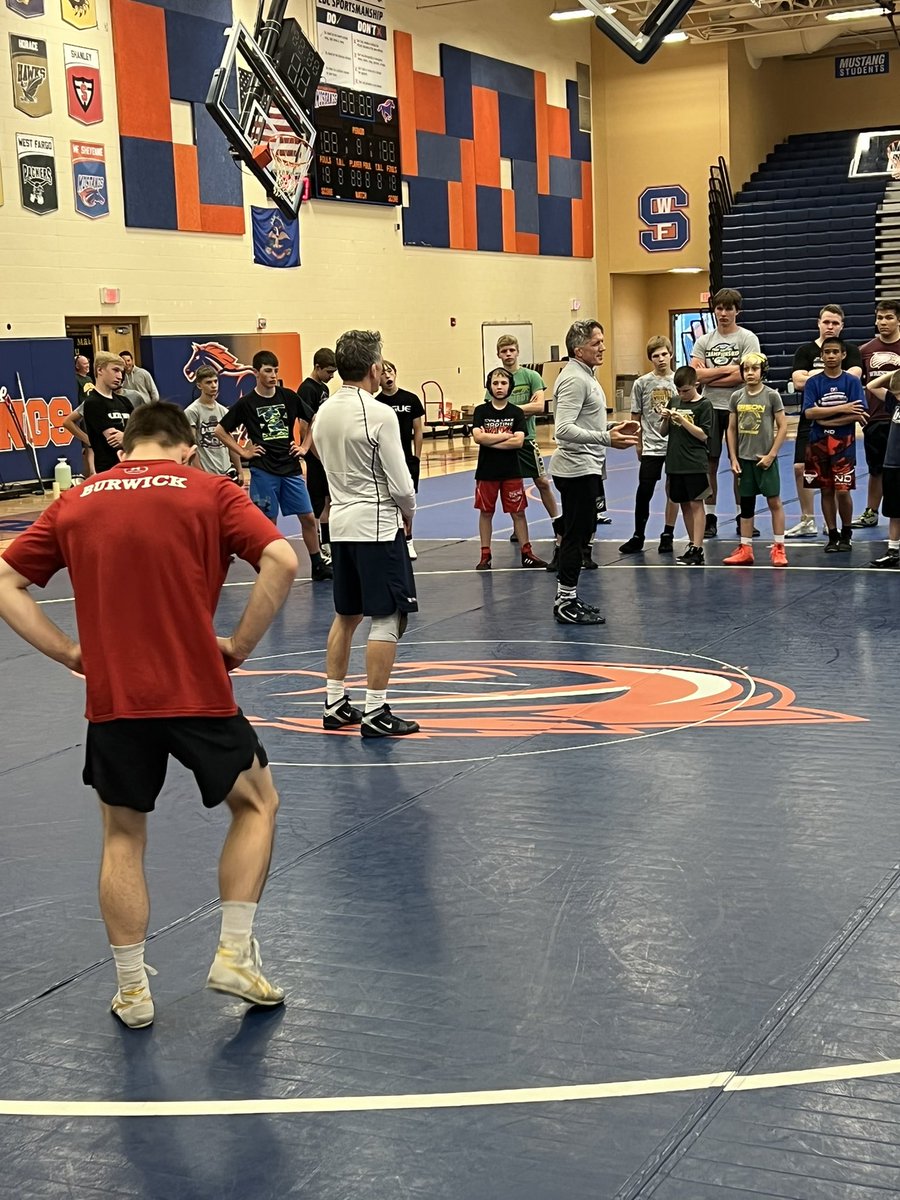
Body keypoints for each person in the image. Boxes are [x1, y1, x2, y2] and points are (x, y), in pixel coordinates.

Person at [0, 402, 299, 1028]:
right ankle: (235, 954)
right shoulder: (210, 489)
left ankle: (133, 991)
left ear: (125, 447)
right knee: (257, 803)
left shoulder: (78, 498)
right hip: (196, 688)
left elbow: (5, 579)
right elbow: (283, 559)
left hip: (117, 699)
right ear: (186, 448)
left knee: (122, 835)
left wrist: (69, 653)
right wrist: (239, 646)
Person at [312, 330, 420, 738]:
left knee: (346, 614)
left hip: (340, 524)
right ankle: (376, 710)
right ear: (375, 368)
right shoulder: (379, 413)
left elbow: (319, 457)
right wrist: (408, 514)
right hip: (376, 524)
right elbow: (401, 481)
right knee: (389, 614)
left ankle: (335, 701)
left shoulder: (324, 411)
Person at [214, 350, 332, 581]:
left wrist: (304, 447)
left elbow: (313, 418)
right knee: (269, 523)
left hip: (290, 468)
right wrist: (244, 452)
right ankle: (270, 567)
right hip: (263, 469)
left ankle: (317, 564)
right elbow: (220, 430)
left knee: (308, 517)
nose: (273, 375)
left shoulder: (288, 396)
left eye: (276, 370)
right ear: (256, 373)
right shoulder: (247, 403)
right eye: (268, 371)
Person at [550, 320, 638, 624]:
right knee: (576, 537)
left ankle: (569, 597)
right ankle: (565, 602)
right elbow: (562, 430)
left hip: (585, 467)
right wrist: (606, 438)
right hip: (575, 469)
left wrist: (612, 428)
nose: (602, 347)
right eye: (596, 343)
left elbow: (584, 423)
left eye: (602, 341)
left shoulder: (584, 376)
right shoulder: (575, 379)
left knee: (581, 533)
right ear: (579, 349)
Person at [690, 289, 761, 538]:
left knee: (739, 464)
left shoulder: (748, 338)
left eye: (728, 308)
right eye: (719, 308)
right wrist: (727, 371)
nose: (723, 313)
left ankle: (745, 516)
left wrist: (712, 373)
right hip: (709, 409)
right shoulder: (704, 341)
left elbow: (745, 374)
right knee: (709, 463)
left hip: (739, 407)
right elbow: (695, 375)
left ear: (737, 311)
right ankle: (710, 516)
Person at [788, 304, 863, 538]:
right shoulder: (805, 351)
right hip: (812, 422)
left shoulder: (850, 350)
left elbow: (853, 376)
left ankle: (839, 525)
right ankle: (807, 519)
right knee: (801, 468)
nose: (830, 326)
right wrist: (819, 377)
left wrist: (813, 376)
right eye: (826, 322)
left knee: (839, 484)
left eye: (835, 323)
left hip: (841, 425)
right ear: (818, 323)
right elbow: (798, 382)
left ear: (842, 326)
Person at [472, 368, 547, 571]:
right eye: (495, 383)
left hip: (511, 471)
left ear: (510, 387)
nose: (499, 387)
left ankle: (527, 552)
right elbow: (478, 437)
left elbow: (518, 442)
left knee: (519, 512)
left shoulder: (516, 412)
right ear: (489, 386)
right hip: (487, 472)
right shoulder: (481, 411)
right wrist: (505, 436)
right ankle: (485, 555)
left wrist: (490, 440)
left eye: (503, 383)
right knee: (486, 512)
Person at [801, 335, 868, 553]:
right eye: (827, 352)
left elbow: (858, 414)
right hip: (818, 443)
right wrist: (843, 409)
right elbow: (810, 413)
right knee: (826, 490)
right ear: (822, 356)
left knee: (842, 490)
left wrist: (825, 417)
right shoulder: (813, 382)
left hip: (844, 443)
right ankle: (832, 534)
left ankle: (846, 532)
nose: (831, 356)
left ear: (843, 355)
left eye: (835, 352)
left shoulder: (851, 381)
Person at [494, 334, 561, 549]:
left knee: (541, 481)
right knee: (513, 486)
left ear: (517, 351)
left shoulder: (531, 376)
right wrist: (523, 410)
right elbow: (492, 411)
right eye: (504, 351)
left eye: (511, 350)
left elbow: (539, 407)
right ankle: (517, 528)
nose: (508, 355)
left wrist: (510, 410)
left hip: (527, 440)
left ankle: (557, 522)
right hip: (504, 439)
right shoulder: (496, 380)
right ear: (498, 354)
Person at [723, 352, 789, 566]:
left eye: (755, 368)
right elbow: (731, 429)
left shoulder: (771, 396)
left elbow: (783, 426)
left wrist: (772, 454)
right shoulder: (736, 397)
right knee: (747, 505)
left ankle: (779, 548)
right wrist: (733, 457)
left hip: (765, 460)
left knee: (774, 501)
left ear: (763, 371)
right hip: (744, 460)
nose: (750, 372)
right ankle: (745, 548)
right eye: (746, 369)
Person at [619, 335, 680, 555]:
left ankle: (668, 534)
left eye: (664, 354)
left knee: (673, 491)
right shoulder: (642, 383)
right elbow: (636, 416)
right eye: (656, 356)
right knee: (644, 490)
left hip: (674, 445)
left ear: (671, 354)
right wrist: (638, 443)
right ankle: (638, 535)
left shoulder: (678, 381)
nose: (661, 359)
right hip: (652, 445)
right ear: (650, 359)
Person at [660, 365, 714, 565]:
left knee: (696, 503)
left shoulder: (704, 405)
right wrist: (666, 419)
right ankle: (692, 544)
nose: (681, 395)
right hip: (675, 461)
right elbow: (663, 432)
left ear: (696, 385)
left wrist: (683, 420)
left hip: (694, 462)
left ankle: (699, 548)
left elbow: (703, 435)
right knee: (683, 503)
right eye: (679, 391)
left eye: (686, 391)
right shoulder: (674, 401)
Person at [857, 298, 900, 529]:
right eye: (879, 317)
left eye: (889, 317)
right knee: (876, 470)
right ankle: (871, 512)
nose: (883, 322)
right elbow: (855, 382)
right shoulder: (865, 350)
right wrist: (857, 410)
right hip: (875, 418)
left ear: (898, 320)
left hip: (899, 419)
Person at [378, 360, 425, 559]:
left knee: (407, 500)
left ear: (395, 373)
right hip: (385, 459)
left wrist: (417, 457)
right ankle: (390, 540)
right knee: (388, 500)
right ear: (377, 377)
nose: (387, 376)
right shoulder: (377, 403)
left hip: (407, 458)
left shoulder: (411, 399)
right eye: (383, 373)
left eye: (390, 372)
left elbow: (418, 430)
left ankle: (408, 539)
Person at [298, 348, 337, 563]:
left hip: (324, 450)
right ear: (317, 367)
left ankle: (329, 541)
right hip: (315, 454)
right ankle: (321, 545)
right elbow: (305, 426)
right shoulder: (307, 389)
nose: (332, 377)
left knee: (329, 498)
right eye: (329, 372)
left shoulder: (323, 388)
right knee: (318, 500)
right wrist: (313, 453)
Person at [184, 366, 244, 484]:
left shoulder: (224, 411)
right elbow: (191, 445)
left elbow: (231, 444)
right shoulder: (192, 411)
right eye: (208, 382)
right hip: (206, 473)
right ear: (199, 385)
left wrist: (240, 471)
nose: (213, 385)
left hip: (226, 473)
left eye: (215, 381)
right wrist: (200, 472)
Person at [80, 352, 134, 474]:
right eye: (115, 370)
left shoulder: (124, 402)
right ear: (100, 370)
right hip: (109, 470)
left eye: (121, 372)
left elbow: (143, 432)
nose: (120, 376)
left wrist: (126, 437)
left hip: (131, 467)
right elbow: (114, 440)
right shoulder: (93, 403)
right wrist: (133, 438)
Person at [870, 368, 900, 567]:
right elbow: (872, 386)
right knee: (894, 510)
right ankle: (893, 549)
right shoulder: (894, 403)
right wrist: (896, 372)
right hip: (893, 463)